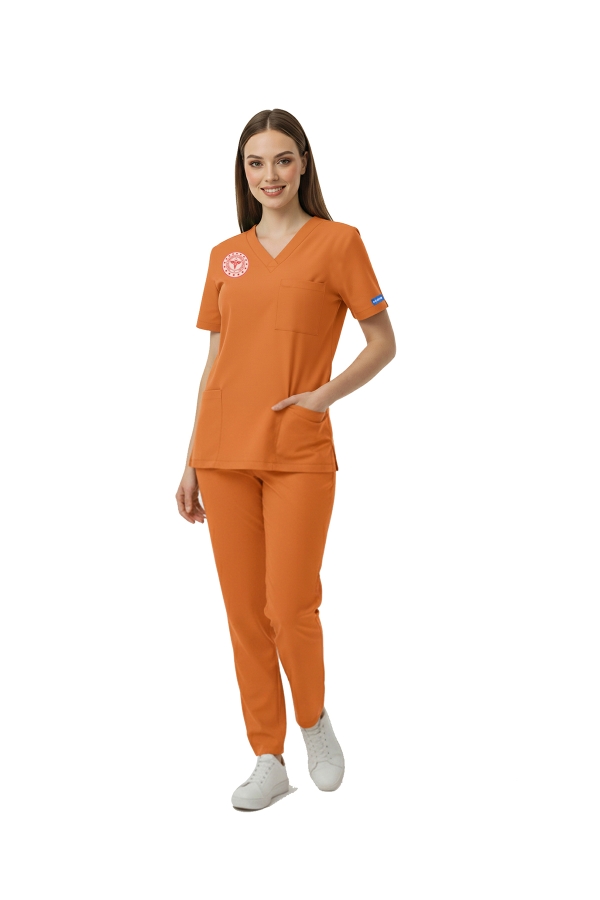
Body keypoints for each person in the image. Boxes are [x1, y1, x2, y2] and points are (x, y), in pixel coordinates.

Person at [176, 109, 396, 810]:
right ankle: (267, 757)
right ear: (242, 173)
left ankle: (313, 721)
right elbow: (215, 359)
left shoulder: (339, 242)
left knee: (290, 603)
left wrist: (322, 397)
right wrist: (190, 458)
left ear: (303, 163)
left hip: (297, 450)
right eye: (255, 163)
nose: (268, 175)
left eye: (281, 159)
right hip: (223, 452)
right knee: (245, 612)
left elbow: (383, 342)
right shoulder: (226, 255)